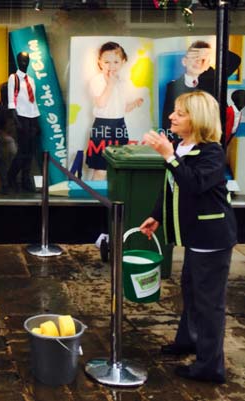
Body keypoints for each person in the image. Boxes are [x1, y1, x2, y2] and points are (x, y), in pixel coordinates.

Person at [140, 91, 237, 384]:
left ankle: (210, 366)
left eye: (179, 113)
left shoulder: (211, 152)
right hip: (196, 236)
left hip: (213, 236)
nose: (172, 116)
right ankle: (188, 340)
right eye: (174, 112)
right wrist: (156, 215)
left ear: (197, 119)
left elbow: (193, 184)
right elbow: (171, 185)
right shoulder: (183, 147)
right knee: (192, 291)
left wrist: (168, 155)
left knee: (209, 303)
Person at [86, 41, 143, 180]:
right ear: (100, 63)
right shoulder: (97, 80)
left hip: (120, 124)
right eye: (107, 62)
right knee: (101, 168)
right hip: (103, 126)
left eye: (116, 62)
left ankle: (115, 200)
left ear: (123, 62)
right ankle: (95, 200)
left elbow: (121, 108)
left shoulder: (122, 82)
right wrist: (110, 84)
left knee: (119, 166)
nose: (111, 66)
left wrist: (134, 104)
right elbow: (101, 103)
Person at [161, 40, 241, 134]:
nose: (198, 62)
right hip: (181, 138)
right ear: (184, 61)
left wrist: (218, 49)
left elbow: (234, 60)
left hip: (207, 136)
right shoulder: (173, 86)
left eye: (203, 59)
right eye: (194, 58)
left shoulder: (212, 79)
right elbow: (167, 117)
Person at [7, 51, 40, 192]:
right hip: (21, 117)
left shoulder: (31, 79)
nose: (24, 63)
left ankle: (26, 179)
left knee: (31, 151)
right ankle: (11, 176)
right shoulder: (13, 78)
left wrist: (37, 120)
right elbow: (11, 102)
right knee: (23, 150)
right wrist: (17, 121)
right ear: (17, 61)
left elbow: (34, 101)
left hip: (33, 116)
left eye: (26, 60)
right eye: (21, 60)